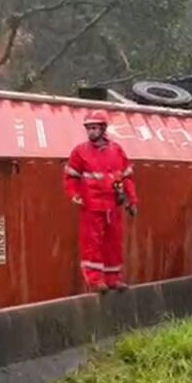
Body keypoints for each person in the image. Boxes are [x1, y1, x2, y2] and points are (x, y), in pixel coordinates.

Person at [63, 110, 138, 293]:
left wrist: (132, 200)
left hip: (113, 206)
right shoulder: (80, 152)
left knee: (113, 244)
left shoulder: (117, 150)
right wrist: (75, 195)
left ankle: (113, 279)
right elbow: (70, 177)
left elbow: (127, 178)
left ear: (103, 129)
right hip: (91, 206)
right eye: (89, 128)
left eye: (95, 128)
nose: (91, 132)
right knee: (92, 244)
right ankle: (95, 280)